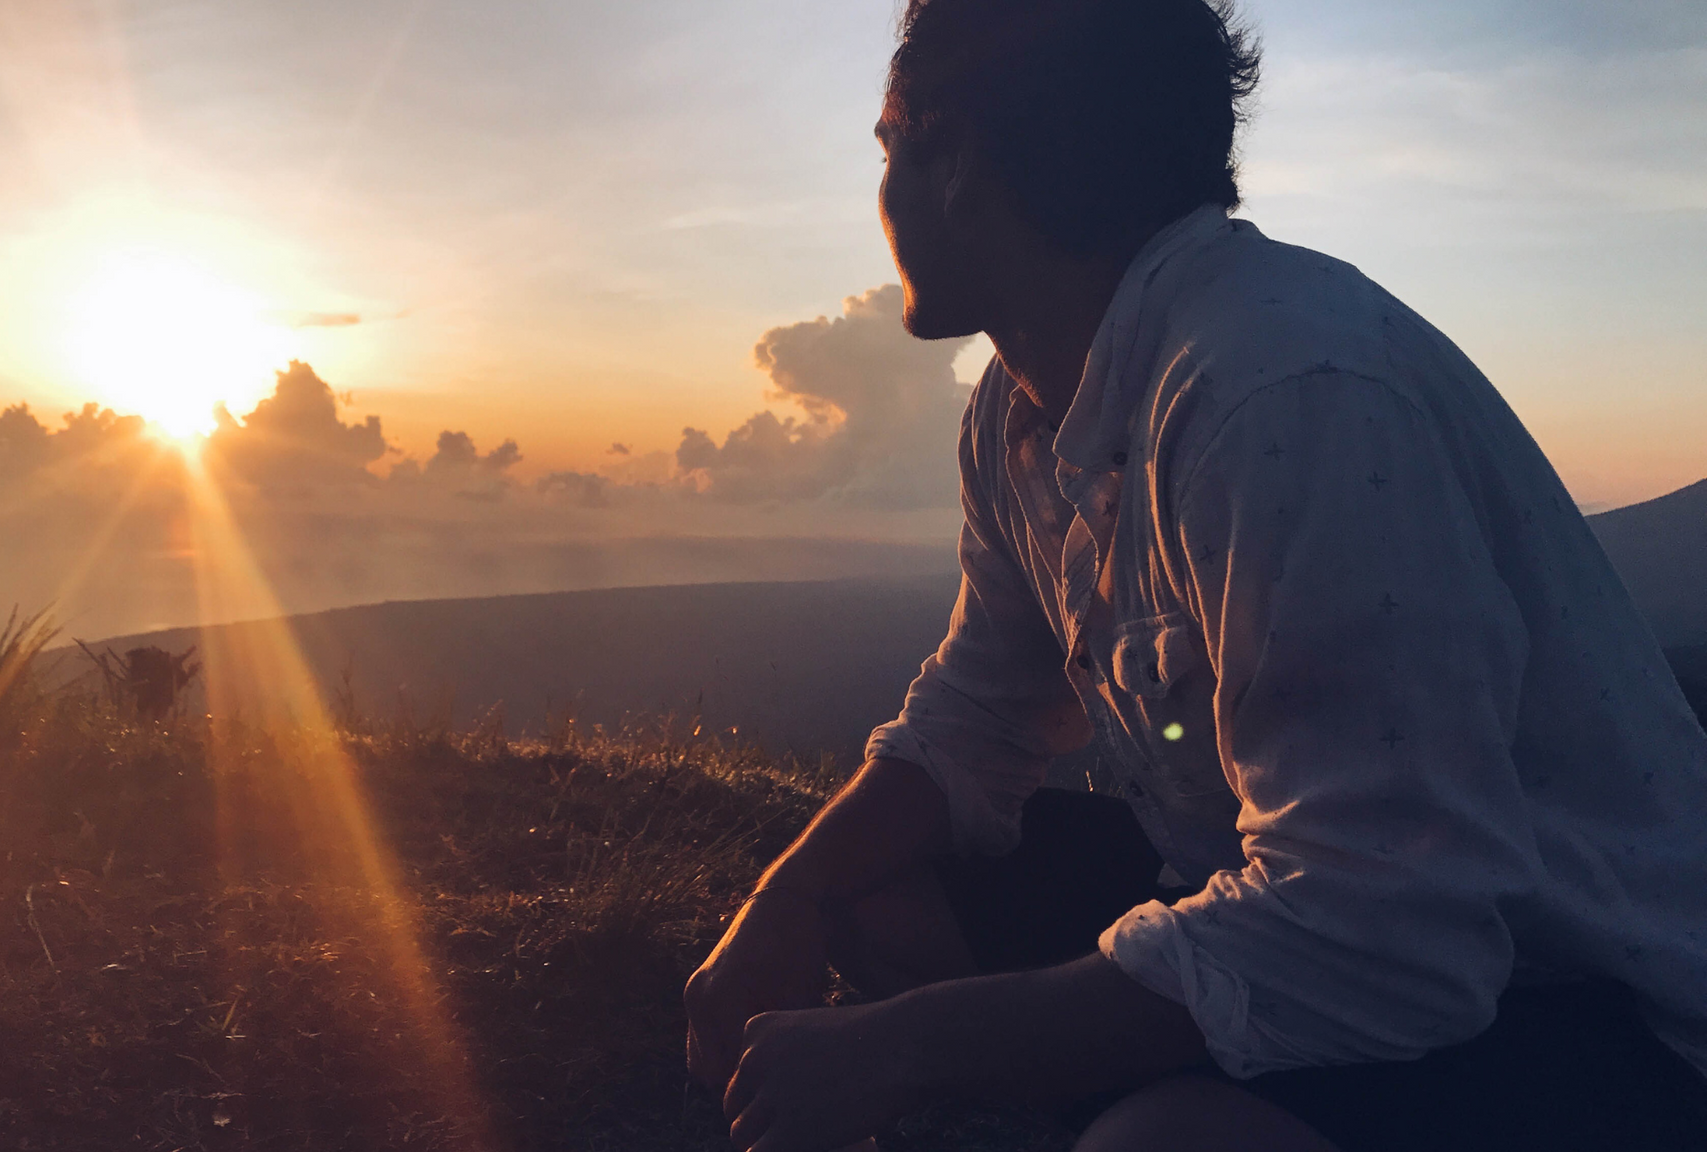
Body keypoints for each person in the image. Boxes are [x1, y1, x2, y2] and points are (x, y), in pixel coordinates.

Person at [681, 1, 1707, 1149]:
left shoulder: (1275, 392)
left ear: (955, 161)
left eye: (889, 149)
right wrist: (782, 897)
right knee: (867, 892)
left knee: (1158, 1141)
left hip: (1579, 999)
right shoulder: (1018, 416)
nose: (882, 194)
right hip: (1279, 901)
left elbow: (1390, 929)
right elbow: (977, 715)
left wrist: (907, 1046)